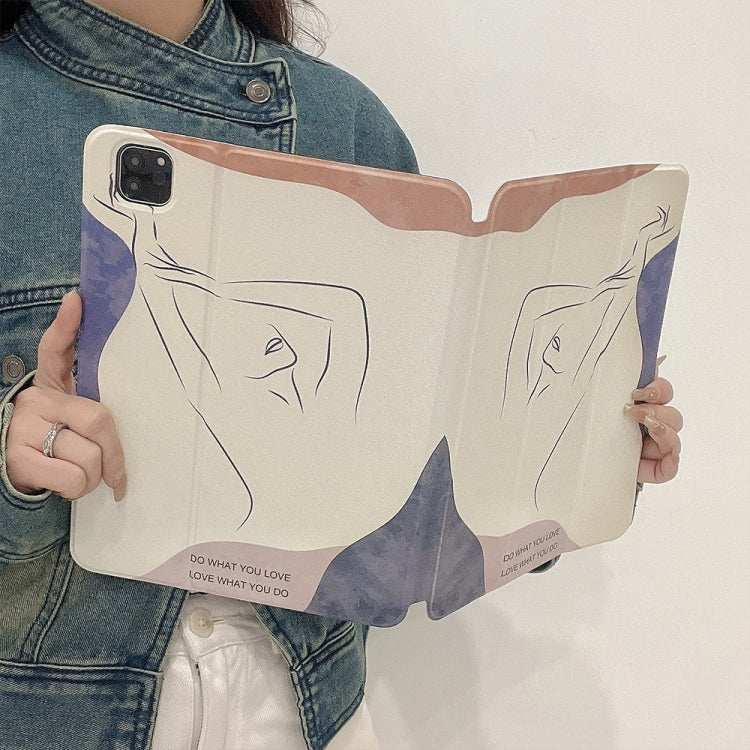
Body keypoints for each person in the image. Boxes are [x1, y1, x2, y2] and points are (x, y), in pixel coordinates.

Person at [0, 1, 683, 749]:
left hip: (311, 708)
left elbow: (428, 471)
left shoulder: (345, 122)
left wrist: (581, 451)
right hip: (49, 711)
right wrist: (15, 455)